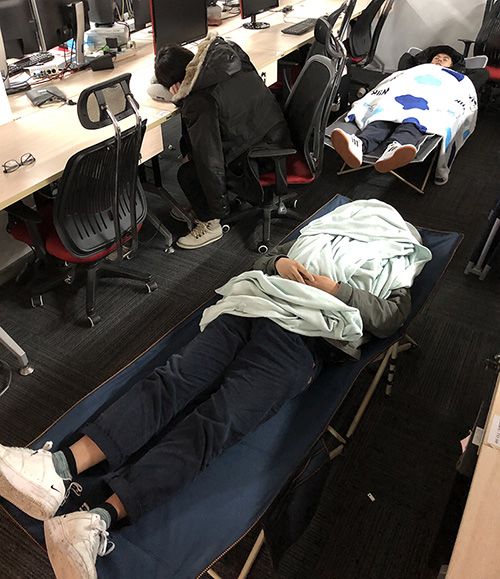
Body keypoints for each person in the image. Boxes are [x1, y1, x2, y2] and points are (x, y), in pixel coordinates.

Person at [0, 201, 430, 579]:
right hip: (256, 303)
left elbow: (389, 318)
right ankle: (57, 467)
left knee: (217, 420)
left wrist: (334, 289)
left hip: (308, 336)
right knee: (174, 379)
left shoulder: (402, 258)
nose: (366, 221)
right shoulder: (328, 226)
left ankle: (96, 519)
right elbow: (274, 257)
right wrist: (280, 265)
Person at [154, 34, 291, 250]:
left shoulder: (200, 100)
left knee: (188, 173)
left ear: (174, 85)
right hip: (276, 136)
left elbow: (210, 161)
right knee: (188, 146)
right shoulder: (229, 60)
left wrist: (220, 209)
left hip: (257, 160)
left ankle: (210, 223)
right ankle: (205, 204)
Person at [331, 45, 466, 174]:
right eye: (437, 57)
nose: (440, 60)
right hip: (397, 100)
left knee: (414, 121)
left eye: (445, 59)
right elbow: (394, 82)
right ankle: (360, 145)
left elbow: (461, 96)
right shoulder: (416, 70)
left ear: (451, 65)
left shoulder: (455, 78)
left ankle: (395, 149)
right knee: (383, 116)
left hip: (426, 105)